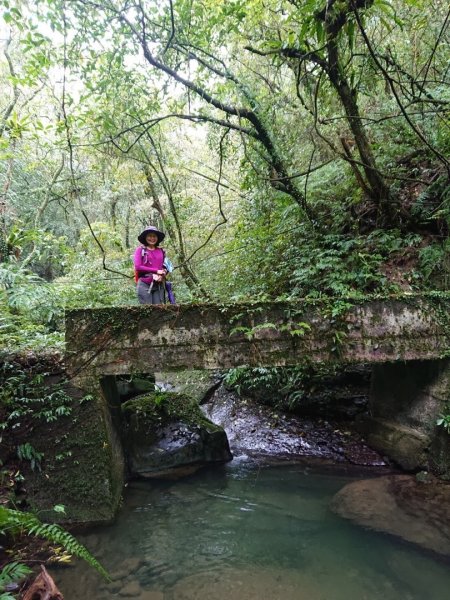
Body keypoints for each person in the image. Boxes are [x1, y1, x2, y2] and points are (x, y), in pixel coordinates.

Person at [134, 225, 169, 305]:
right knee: (148, 311)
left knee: (160, 311)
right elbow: (138, 267)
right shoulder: (140, 250)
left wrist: (162, 275)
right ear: (145, 237)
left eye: (154, 236)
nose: (152, 238)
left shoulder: (161, 251)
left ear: (157, 238)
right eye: (149, 236)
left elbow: (165, 266)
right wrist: (156, 271)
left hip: (159, 285)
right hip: (144, 284)